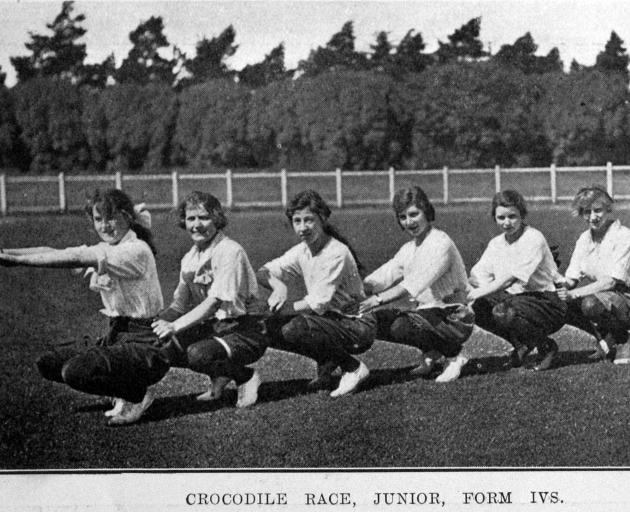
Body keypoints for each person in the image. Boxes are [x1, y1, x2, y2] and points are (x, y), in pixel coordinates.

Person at [0, 188, 164, 424]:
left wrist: (16, 260)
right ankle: (121, 387)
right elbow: (56, 252)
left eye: (111, 217)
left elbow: (75, 259)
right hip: (117, 335)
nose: (105, 226)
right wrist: (7, 254)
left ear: (127, 217)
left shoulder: (135, 250)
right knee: (48, 363)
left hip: (146, 343)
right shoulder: (109, 247)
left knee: (75, 372)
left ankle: (137, 394)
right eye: (98, 219)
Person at [151, 190, 268, 409]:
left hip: (245, 330)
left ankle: (246, 376)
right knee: (163, 346)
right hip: (216, 329)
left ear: (216, 218)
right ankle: (220, 375)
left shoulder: (230, 251)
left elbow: (214, 302)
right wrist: (151, 325)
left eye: (203, 217)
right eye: (190, 218)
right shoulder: (190, 258)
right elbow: (179, 305)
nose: (197, 225)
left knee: (198, 354)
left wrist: (174, 326)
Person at [256, 190, 376, 397]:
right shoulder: (302, 250)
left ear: (322, 218)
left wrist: (275, 311)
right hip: (332, 320)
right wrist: (279, 287)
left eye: (309, 220)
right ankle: (328, 359)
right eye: (297, 221)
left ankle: (353, 368)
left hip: (357, 324)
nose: (302, 228)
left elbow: (317, 302)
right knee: (268, 329)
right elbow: (263, 272)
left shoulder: (336, 252)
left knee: (295, 327)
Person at [358, 186, 474, 383]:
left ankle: (455, 356)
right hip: (430, 315)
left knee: (400, 325)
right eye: (403, 217)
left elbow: (412, 285)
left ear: (426, 212)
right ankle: (432, 351)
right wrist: (356, 289)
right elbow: (384, 276)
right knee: (376, 320)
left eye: (414, 214)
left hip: (454, 316)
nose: (409, 222)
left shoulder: (440, 242)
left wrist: (376, 299)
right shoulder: (409, 248)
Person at [468, 190, 566, 371]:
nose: (506, 223)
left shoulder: (533, 238)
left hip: (548, 302)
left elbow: (508, 280)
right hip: (518, 299)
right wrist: (464, 292)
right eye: (501, 217)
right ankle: (521, 345)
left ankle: (546, 346)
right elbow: (478, 276)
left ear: (522, 215)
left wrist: (475, 293)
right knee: (478, 308)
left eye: (512, 216)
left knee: (502, 311)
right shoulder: (496, 243)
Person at [557, 185, 630, 364]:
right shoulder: (584, 239)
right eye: (586, 212)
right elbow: (571, 278)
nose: (592, 217)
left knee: (590, 304)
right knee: (558, 303)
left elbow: (610, 282)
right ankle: (606, 338)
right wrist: (553, 280)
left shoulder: (623, 236)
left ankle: (624, 339)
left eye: (597, 210)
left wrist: (573, 293)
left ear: (608, 209)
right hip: (607, 296)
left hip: (625, 295)